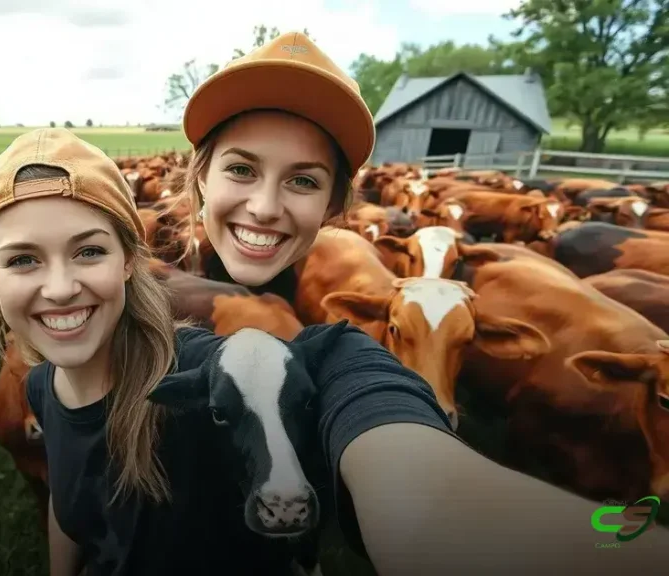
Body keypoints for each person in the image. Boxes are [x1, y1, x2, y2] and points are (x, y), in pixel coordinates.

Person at [169, 30, 669, 573]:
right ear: (201, 178)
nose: (264, 207)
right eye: (242, 169)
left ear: (334, 204)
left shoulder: (338, 352)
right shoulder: (119, 302)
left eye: (303, 180)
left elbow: (426, 487)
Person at [0, 128, 326, 576]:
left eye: (89, 251)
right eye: (22, 259)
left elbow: (337, 367)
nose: (59, 289)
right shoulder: (40, 386)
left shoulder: (200, 374)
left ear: (129, 260)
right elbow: (67, 498)